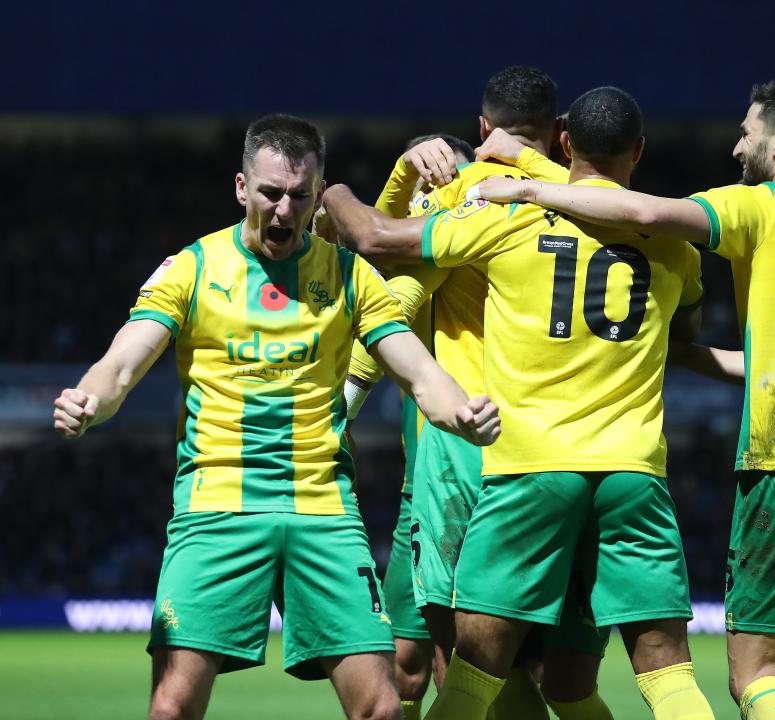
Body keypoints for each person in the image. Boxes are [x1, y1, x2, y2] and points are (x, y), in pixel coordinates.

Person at [473, 80, 775, 720]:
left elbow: (647, 214)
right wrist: (670, 347)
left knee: (757, 676)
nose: (738, 144)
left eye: (748, 130)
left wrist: (527, 187)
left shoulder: (765, 204)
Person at [52, 113, 500, 720]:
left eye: (298, 195)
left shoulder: (349, 276)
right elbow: (123, 364)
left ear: (319, 195)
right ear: (242, 188)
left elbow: (421, 375)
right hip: (217, 507)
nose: (283, 210)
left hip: (322, 509)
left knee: (383, 708)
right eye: (270, 193)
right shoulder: (194, 267)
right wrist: (89, 400)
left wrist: (461, 415)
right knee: (171, 708)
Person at [323, 85, 717, 720]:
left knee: (477, 671)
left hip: (528, 467)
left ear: (566, 141)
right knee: (660, 673)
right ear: (638, 151)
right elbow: (688, 331)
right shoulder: (674, 244)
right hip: (632, 473)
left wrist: (332, 191)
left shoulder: (502, 214)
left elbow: (376, 243)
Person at [344, 132, 476, 720]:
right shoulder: (413, 269)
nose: (424, 206)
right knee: (405, 662)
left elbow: (387, 303)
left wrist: (340, 400)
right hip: (418, 485)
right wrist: (404, 172)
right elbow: (376, 252)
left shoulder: (460, 243)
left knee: (460, 659)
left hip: (467, 475)